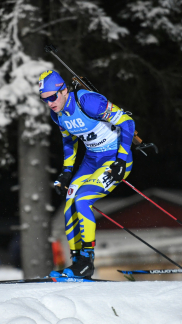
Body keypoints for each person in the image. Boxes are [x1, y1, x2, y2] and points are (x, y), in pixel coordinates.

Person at [39, 70, 135, 278]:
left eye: (52, 97)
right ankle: (78, 262)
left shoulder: (88, 101)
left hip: (115, 158)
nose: (50, 103)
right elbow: (69, 140)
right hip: (92, 160)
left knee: (82, 200)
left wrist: (120, 160)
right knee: (70, 202)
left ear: (63, 90)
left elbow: (127, 122)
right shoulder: (56, 114)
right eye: (44, 99)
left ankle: (87, 262)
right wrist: (66, 172)